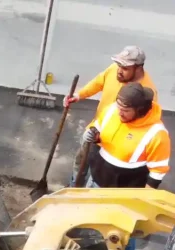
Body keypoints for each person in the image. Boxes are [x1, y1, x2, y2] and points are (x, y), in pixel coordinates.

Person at [79, 83, 171, 250]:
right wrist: (92, 134)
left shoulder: (156, 134)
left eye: (125, 110)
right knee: (93, 214)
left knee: (123, 234)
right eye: (119, 107)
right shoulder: (113, 110)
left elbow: (158, 171)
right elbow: (97, 126)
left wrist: (144, 201)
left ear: (140, 110)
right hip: (99, 178)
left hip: (126, 191)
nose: (119, 112)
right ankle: (92, 235)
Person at [67, 46, 157, 182]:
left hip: (114, 144)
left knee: (98, 175)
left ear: (138, 68)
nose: (119, 70)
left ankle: (89, 193)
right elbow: (98, 82)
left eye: (125, 68)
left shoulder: (147, 93)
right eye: (119, 65)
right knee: (81, 162)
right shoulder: (115, 70)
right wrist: (79, 95)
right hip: (95, 129)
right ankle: (74, 186)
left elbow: (143, 127)